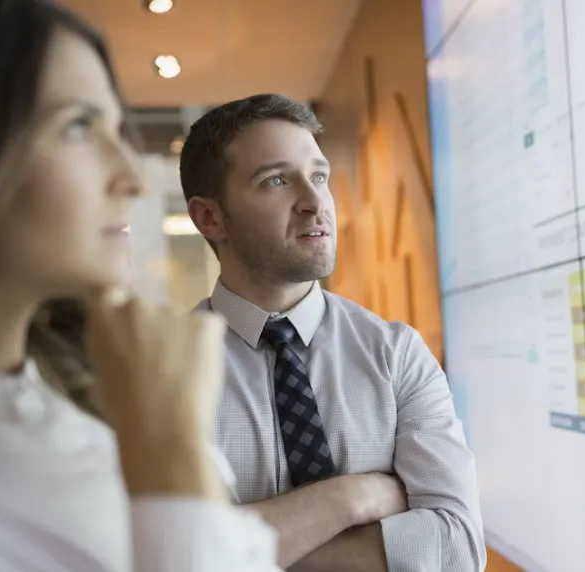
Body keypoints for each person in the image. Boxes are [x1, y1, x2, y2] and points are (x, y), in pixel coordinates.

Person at [0, 1, 284, 570]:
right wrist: (169, 450)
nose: (131, 178)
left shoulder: (88, 393)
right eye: (77, 126)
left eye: (116, 129)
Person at [181, 93, 486, 571]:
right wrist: (353, 497)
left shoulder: (395, 354)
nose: (313, 201)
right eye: (277, 180)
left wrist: (238, 552)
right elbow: (167, 560)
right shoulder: (163, 376)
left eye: (319, 176)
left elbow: (457, 548)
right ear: (209, 218)